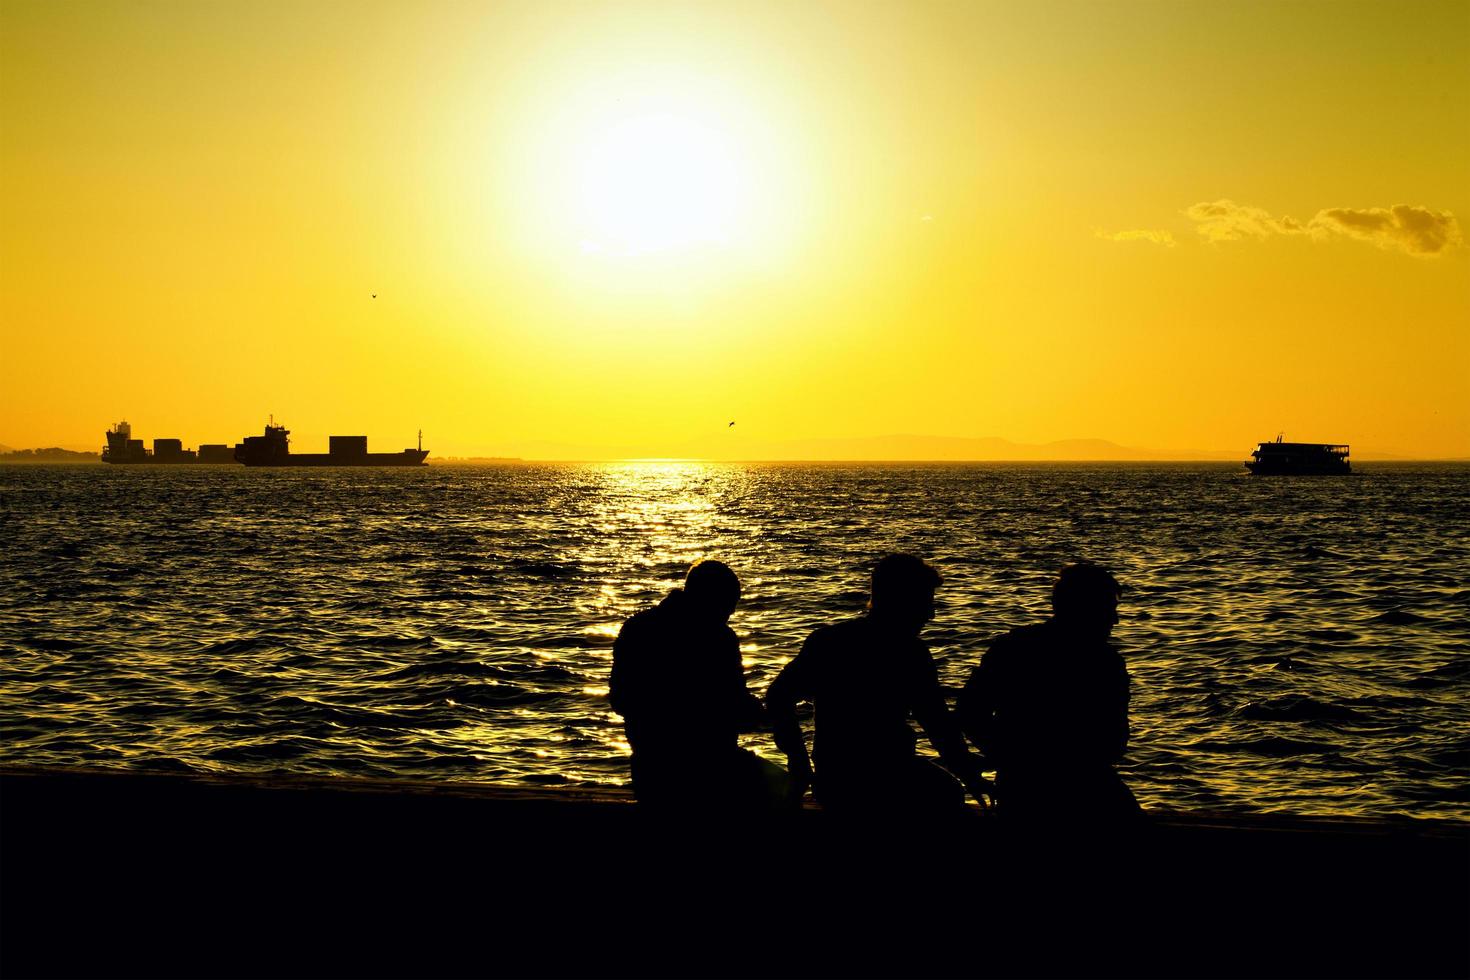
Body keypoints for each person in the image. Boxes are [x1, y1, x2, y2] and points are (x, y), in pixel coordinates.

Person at [765, 554, 990, 815]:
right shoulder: (911, 654)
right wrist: (968, 776)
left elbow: (779, 696)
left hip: (834, 780)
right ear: (902, 601)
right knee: (947, 792)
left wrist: (798, 759)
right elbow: (937, 723)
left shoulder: (828, 641)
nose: (931, 614)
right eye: (925, 603)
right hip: (888, 777)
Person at [957, 562, 1140, 826]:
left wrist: (1007, 756)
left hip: (1024, 783)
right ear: (1085, 609)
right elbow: (1114, 742)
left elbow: (969, 712)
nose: (1115, 620)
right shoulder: (1105, 662)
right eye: (1108, 609)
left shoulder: (1013, 647)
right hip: (1081, 783)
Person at [609, 559, 785, 809]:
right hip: (712, 767)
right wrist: (765, 715)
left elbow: (620, 700)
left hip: (649, 769)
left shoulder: (637, 627)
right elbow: (735, 706)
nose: (731, 614)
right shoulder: (718, 638)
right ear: (714, 599)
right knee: (786, 787)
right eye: (729, 605)